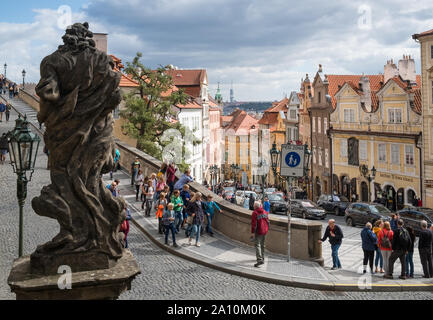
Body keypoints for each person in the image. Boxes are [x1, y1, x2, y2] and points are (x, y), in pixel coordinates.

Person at [251, 201, 269, 268]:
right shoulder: (264, 211)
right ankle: (262, 258)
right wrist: (267, 228)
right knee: (262, 245)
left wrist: (252, 232)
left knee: (257, 244)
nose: (253, 206)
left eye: (253, 205)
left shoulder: (255, 213)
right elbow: (268, 221)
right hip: (265, 230)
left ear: (255, 206)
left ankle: (259, 259)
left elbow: (254, 224)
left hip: (259, 231)